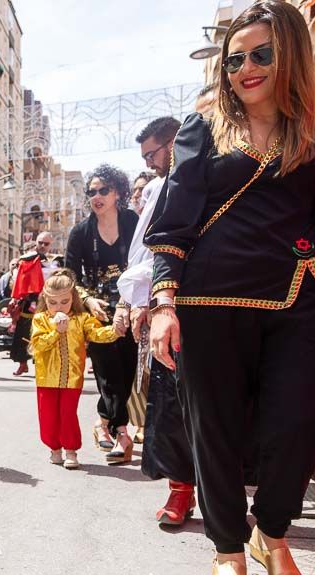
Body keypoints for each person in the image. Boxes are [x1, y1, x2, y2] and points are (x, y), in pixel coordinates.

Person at [148, 0, 315, 575]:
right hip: (210, 295)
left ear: (291, 52)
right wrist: (163, 300)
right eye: (235, 59)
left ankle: (274, 532)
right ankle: (229, 547)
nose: (246, 68)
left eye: (262, 53)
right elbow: (175, 217)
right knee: (216, 427)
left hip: (299, 293)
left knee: (305, 416)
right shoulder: (203, 126)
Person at [114, 116, 194, 526]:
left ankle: (225, 498)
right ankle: (180, 492)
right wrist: (143, 299)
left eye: (153, 153)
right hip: (173, 306)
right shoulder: (164, 187)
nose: (152, 163)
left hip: (226, 300)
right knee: (173, 401)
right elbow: (147, 252)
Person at [65, 164, 139, 463]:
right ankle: (122, 432)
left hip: (133, 306)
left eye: (103, 190)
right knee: (109, 373)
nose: (97, 196)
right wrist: (88, 301)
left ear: (117, 192)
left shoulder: (133, 221)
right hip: (97, 311)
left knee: (129, 370)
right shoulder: (81, 232)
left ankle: (102, 421)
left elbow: (145, 260)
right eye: (92, 191)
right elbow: (71, 275)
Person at [30, 271, 119, 470]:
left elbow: (96, 333)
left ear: (73, 298)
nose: (58, 307)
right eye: (53, 302)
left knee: (68, 413)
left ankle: (71, 450)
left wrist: (115, 330)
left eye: (64, 301)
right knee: (48, 415)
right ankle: (54, 448)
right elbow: (38, 344)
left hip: (73, 376)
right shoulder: (40, 319)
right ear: (45, 299)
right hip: (46, 378)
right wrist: (56, 331)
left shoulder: (81, 319)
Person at [9, 232, 59, 375]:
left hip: (48, 302)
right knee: (23, 334)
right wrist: (15, 297)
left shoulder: (56, 261)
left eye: (46, 244)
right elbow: (19, 280)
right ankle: (22, 363)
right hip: (28, 301)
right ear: (36, 242)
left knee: (44, 334)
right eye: (40, 242)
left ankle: (41, 365)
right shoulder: (27, 259)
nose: (42, 246)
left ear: (51, 245)